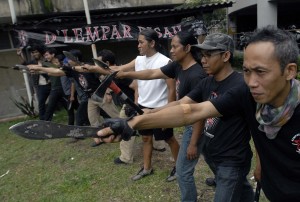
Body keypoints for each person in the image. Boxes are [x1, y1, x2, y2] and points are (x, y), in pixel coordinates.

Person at [98, 26, 300, 202]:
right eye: (247, 71)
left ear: (290, 71)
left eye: (261, 72)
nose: (252, 81)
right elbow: (192, 111)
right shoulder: (246, 93)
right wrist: (132, 123)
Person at [116, 31, 208, 199]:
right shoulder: (178, 65)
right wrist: (126, 73)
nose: (171, 50)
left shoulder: (197, 75)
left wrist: (193, 142)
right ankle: (147, 168)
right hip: (177, 116)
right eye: (170, 46)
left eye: (174, 46)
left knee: (184, 170)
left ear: (187, 48)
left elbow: (200, 114)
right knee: (209, 162)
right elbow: (151, 73)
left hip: (193, 123)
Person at [110, 28, 178, 182]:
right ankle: (147, 168)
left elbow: (172, 89)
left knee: (169, 139)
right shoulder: (139, 60)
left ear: (152, 43)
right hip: (142, 107)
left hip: (160, 109)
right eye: (138, 43)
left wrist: (170, 113)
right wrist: (97, 68)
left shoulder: (165, 61)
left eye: (141, 42)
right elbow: (119, 68)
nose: (138, 46)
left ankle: (179, 168)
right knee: (146, 139)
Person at [18, 44, 51, 120]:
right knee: (41, 103)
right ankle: (43, 119)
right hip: (40, 86)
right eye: (33, 52)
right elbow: (24, 64)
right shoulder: (32, 62)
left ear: (40, 52)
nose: (35, 54)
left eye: (36, 52)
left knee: (60, 100)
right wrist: (20, 55)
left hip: (51, 85)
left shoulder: (46, 60)